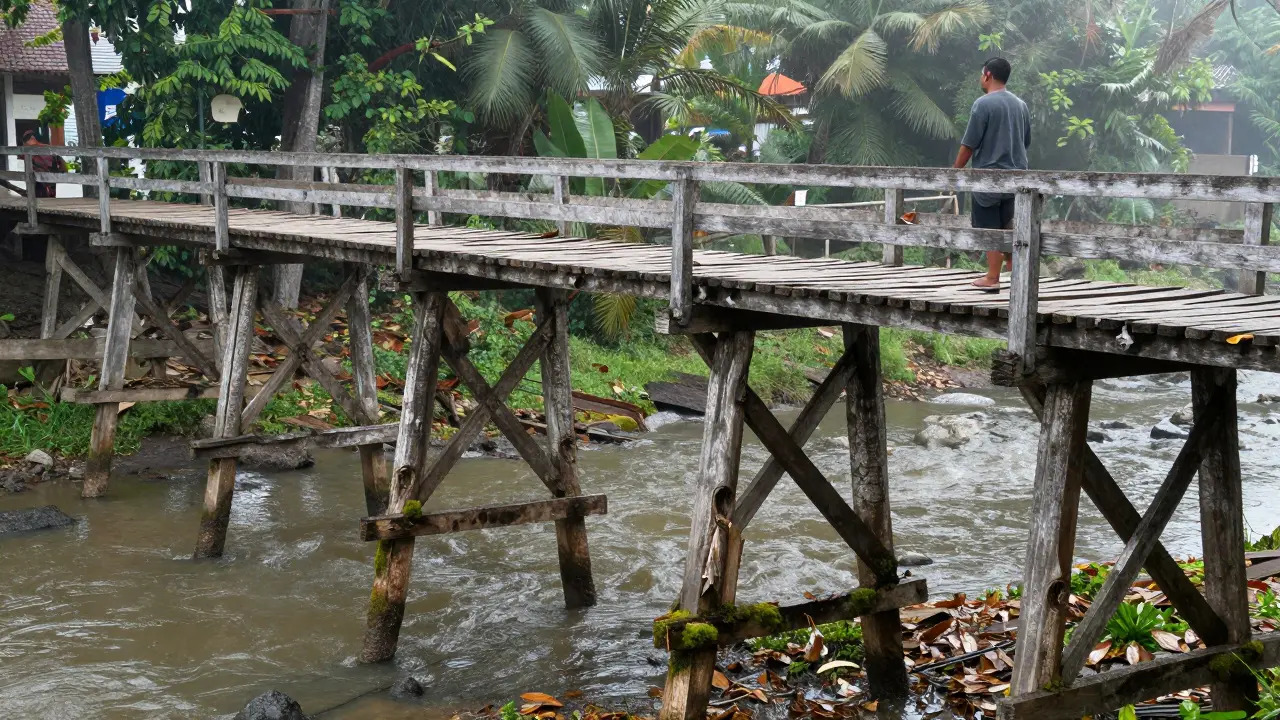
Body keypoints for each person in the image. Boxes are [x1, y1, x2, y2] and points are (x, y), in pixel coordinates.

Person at [954, 57, 1031, 289]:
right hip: (1016, 178)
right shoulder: (1021, 105)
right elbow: (1025, 141)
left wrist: (954, 172)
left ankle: (992, 277)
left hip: (987, 179)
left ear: (987, 74)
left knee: (989, 228)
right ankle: (1016, 277)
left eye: (981, 74)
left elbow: (969, 145)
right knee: (1010, 225)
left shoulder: (983, 104)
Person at [23, 129, 66, 198]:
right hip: (50, 177)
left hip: (39, 179)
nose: (25, 144)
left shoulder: (30, 150)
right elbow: (61, 163)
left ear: (32, 138)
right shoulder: (48, 148)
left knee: (38, 197)